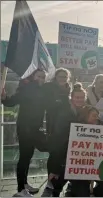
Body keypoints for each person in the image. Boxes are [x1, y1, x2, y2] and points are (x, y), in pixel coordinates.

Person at [1, 69, 46, 197]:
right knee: (24, 157)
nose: (41, 79)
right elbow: (12, 101)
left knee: (28, 156)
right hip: (25, 128)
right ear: (33, 77)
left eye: (43, 77)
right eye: (39, 76)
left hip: (35, 128)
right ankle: (21, 189)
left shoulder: (42, 90)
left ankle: (24, 184)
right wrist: (4, 97)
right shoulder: (27, 88)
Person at [48, 83, 92, 197]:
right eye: (77, 97)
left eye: (82, 97)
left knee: (81, 191)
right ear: (71, 98)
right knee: (57, 186)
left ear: (85, 98)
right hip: (64, 156)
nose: (79, 100)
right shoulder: (64, 113)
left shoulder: (87, 111)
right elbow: (58, 140)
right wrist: (54, 168)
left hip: (79, 158)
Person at [41, 68, 71, 197]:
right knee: (54, 154)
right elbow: (47, 105)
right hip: (54, 127)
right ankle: (51, 181)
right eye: (60, 76)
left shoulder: (69, 89)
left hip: (67, 127)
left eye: (65, 76)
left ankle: (60, 180)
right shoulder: (50, 88)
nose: (63, 78)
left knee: (64, 155)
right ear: (56, 77)